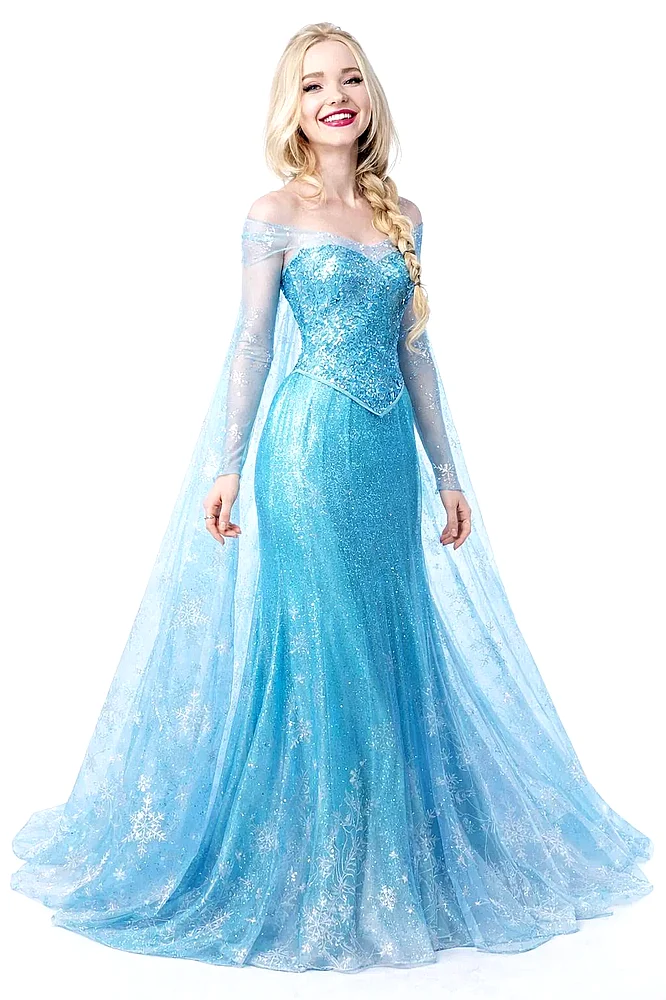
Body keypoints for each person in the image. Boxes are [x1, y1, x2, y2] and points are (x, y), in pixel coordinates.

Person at [10, 21, 653, 974]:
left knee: (387, 642)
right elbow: (253, 344)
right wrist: (229, 464)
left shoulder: (406, 215)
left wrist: (448, 475)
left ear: (369, 96)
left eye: (349, 79)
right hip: (305, 453)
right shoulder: (273, 211)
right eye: (312, 85)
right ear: (294, 107)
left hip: (387, 462)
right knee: (322, 645)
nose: (334, 97)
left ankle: (392, 863)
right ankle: (318, 866)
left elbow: (417, 353)